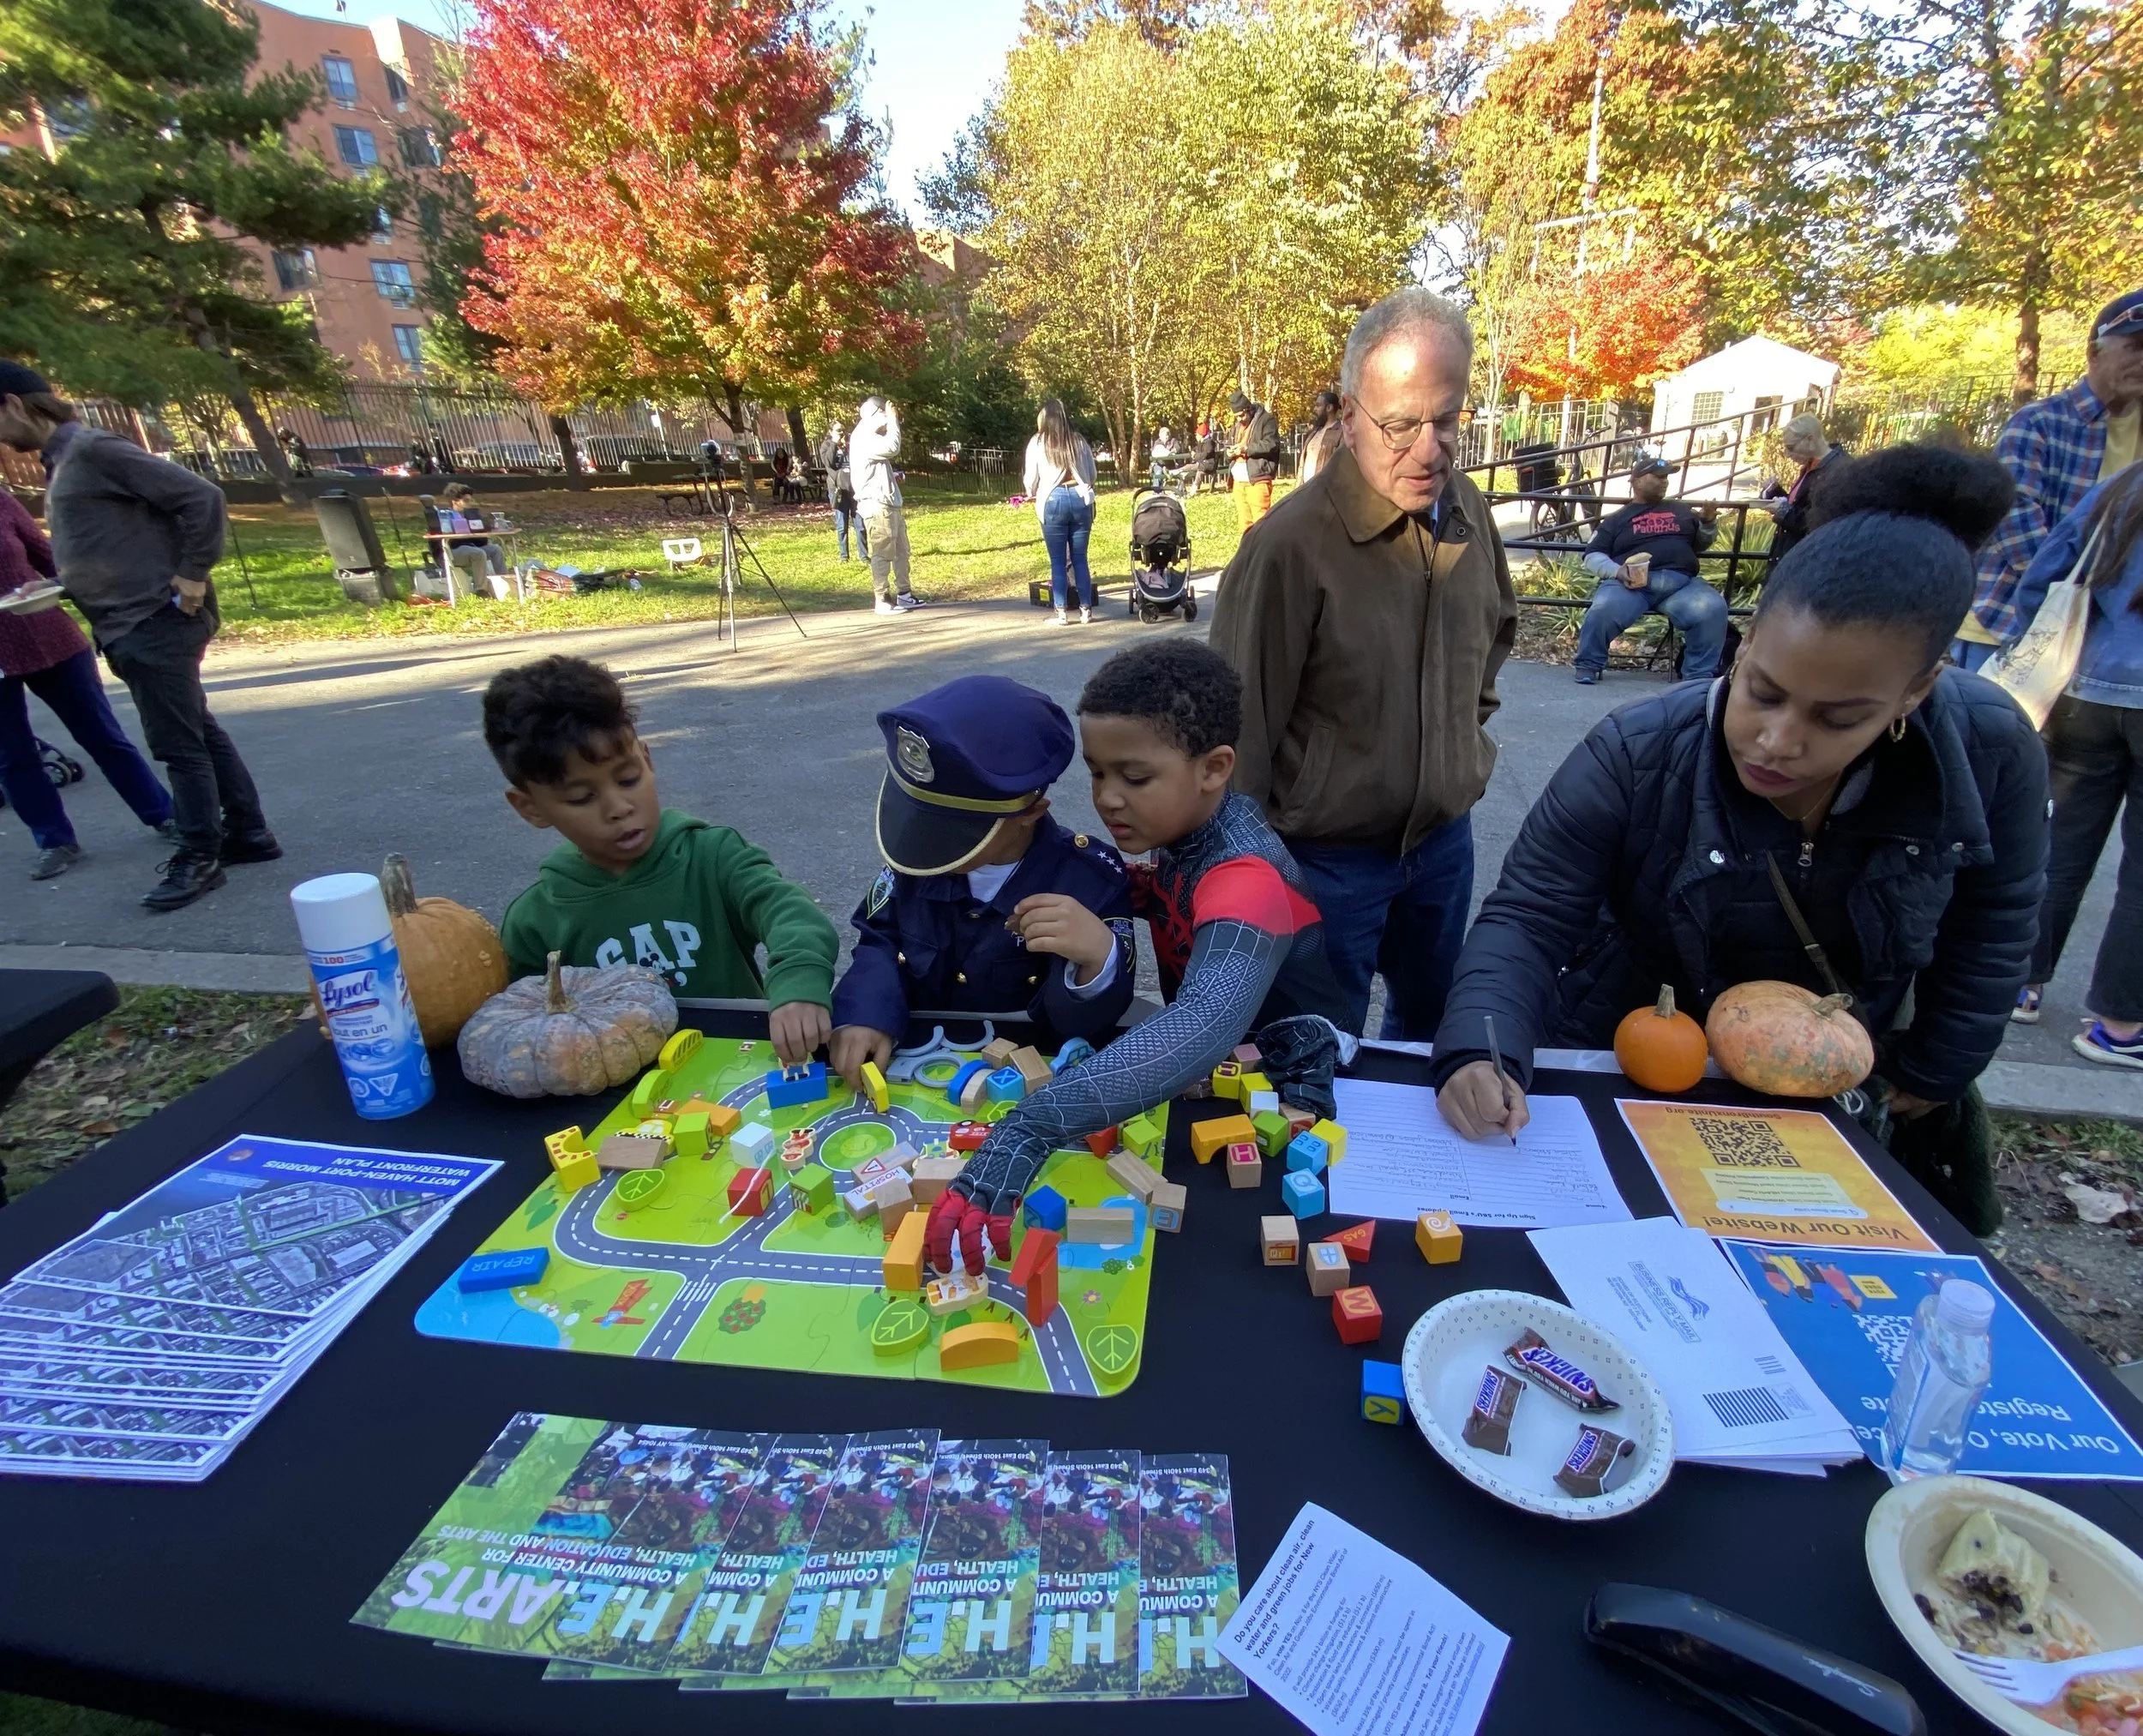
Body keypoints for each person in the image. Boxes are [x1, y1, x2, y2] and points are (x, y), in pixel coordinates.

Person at [1432, 445, 2045, 1235]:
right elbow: (1528, 915)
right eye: (1765, 692)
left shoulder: (1991, 749)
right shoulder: (1637, 748)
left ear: (1917, 690)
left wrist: (1939, 1063)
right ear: (1745, 643)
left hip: (1841, 1089)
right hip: (1641, 1060)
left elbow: (1996, 923)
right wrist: (1483, 1051)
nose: (1779, 742)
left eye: (1838, 718)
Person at [920, 640, 1353, 1276]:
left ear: (1214, 767)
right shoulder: (1181, 830)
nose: (1107, 798)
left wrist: (1029, 1127)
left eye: (1135, 777)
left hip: (1284, 1095)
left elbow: (1201, 1024)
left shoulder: (1248, 877)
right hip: (1217, 1083)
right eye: (1096, 772)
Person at [1209, 287, 1516, 1040]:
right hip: (1324, 863)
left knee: (1427, 1042)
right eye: (1402, 424)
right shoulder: (1289, 546)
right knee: (1316, 1056)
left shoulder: (1470, 512)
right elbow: (1235, 734)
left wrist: (1455, 752)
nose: (1430, 448)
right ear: (1350, 417)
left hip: (1443, 847)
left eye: (1448, 420)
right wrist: (1244, 880)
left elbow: (1495, 637)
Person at [0, 364, 278, 911]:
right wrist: (58, 583)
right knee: (197, 728)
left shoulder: (93, 450)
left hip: (154, 619)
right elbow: (112, 544)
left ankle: (199, 855)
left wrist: (194, 574)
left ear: (12, 403)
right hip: (129, 620)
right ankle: (248, 832)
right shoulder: (64, 462)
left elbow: (202, 497)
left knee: (178, 746)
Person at [485, 654, 837, 1063]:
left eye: (629, 778)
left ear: (647, 761)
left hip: (741, 1066)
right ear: (531, 808)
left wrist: (798, 983)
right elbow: (520, 1031)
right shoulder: (536, 920)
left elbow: (791, 914)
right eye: (582, 797)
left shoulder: (712, 855)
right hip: (616, 1096)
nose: (618, 807)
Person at [827, 676, 1136, 1086]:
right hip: (911, 1068)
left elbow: (1077, 1032)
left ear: (1030, 811)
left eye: (953, 832)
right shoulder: (915, 862)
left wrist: (1097, 962)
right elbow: (880, 938)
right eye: (922, 825)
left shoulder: (1086, 880)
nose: (927, 848)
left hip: (1019, 1084)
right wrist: (866, 1012)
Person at [2003, 465, 2143, 1066]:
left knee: (2059, 843)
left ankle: (2020, 982)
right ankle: (2120, 1022)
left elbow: (2042, 578)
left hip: (2085, 687)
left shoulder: (2122, 486)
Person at [1958, 287, 2143, 670]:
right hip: (2008, 624)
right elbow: (2016, 522)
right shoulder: (2039, 422)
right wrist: (2086, 598)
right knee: (1991, 729)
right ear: (2094, 353)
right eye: (2136, 347)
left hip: (2098, 637)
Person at [0, 486, 174, 879]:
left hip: (48, 637)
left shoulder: (2, 501)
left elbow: (52, 561)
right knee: (13, 756)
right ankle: (54, 841)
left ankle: (164, 815)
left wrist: (58, 587)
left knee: (102, 734)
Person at [1571, 455, 1728, 685]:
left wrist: (1707, 523)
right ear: (1636, 481)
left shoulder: (1682, 510)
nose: (1664, 482)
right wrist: (1617, 572)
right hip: (1631, 584)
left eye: (1666, 478)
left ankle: (1698, 676)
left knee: (1713, 608)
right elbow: (1593, 555)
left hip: (1681, 584)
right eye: (1657, 477)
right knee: (1603, 609)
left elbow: (1700, 544)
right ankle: (1588, 664)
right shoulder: (1617, 519)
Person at [1023, 399, 1099, 625]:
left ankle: (1061, 612)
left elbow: (1030, 478)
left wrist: (1030, 491)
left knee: (1057, 560)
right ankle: (1086, 610)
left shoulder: (1038, 442)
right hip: (1080, 498)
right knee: (1080, 559)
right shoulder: (1078, 441)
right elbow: (1092, 474)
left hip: (1053, 501)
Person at [849, 396, 924, 616]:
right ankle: (882, 599)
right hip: (877, 504)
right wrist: (893, 420)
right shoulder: (864, 437)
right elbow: (893, 447)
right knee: (882, 552)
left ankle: (905, 595)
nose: (887, 420)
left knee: (902, 550)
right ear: (876, 413)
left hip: (889, 503)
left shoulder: (869, 436)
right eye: (885, 413)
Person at [1760, 412, 1847, 564]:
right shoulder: (1813, 464)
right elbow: (1800, 504)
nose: (1787, 454)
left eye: (1791, 447)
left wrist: (1785, 512)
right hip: (1793, 555)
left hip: (1808, 560)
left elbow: (1821, 523)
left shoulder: (1839, 470)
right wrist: (1775, 492)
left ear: (1810, 440)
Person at [1227, 390, 1282, 532]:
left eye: (1241, 415)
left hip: (1258, 478)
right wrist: (1229, 452)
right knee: (1244, 524)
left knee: (1261, 521)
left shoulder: (1266, 420)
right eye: (1236, 417)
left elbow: (1271, 444)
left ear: (1248, 409)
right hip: (1239, 480)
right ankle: (1248, 553)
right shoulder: (1238, 425)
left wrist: (1245, 449)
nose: (1239, 419)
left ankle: (1264, 553)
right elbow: (1232, 443)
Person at [441, 483, 509, 585]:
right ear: (455, 502)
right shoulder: (446, 517)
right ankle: (481, 589)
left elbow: (481, 542)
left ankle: (506, 583)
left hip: (472, 548)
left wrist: (482, 531)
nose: (470, 503)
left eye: (471, 500)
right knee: (478, 553)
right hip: (453, 551)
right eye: (466, 501)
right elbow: (449, 541)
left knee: (496, 550)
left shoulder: (472, 515)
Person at [1297, 389, 1342, 485]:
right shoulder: (1314, 433)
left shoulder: (1341, 433)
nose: (1315, 409)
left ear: (1329, 407)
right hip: (1305, 492)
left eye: (1318, 405)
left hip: (1325, 494)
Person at [1148, 425, 1180, 493]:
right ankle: (1156, 492)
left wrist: (1173, 451)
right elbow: (1155, 453)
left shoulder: (1173, 441)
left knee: (1179, 471)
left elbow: (1177, 449)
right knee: (1158, 472)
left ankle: (1181, 490)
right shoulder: (1157, 442)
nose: (1167, 436)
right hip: (1159, 464)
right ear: (1160, 435)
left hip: (1170, 464)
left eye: (1168, 435)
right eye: (1165, 435)